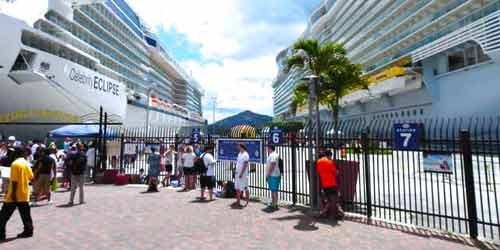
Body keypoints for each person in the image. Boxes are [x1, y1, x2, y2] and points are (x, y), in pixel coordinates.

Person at [0, 147, 34, 241]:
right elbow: (32, 177)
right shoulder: (26, 164)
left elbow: (14, 181)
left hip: (14, 195)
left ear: (16, 154)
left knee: (3, 216)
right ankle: (28, 231)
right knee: (26, 215)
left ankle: (1, 235)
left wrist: (13, 194)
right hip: (24, 193)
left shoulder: (15, 164)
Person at [316, 150, 340, 219]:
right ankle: (333, 214)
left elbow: (318, 171)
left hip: (324, 184)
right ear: (329, 155)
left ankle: (323, 213)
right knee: (334, 200)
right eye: (330, 156)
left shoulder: (319, 162)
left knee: (328, 200)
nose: (331, 158)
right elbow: (336, 173)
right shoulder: (330, 162)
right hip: (332, 184)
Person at [233, 143, 250, 208]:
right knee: (237, 188)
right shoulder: (239, 154)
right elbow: (237, 163)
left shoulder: (246, 155)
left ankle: (247, 201)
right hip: (237, 173)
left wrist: (241, 173)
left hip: (243, 174)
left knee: (245, 188)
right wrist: (235, 170)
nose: (238, 148)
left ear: (242, 147)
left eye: (239, 147)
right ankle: (238, 201)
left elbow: (245, 165)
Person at [265, 145, 280, 210]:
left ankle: (275, 204)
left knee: (274, 190)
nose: (267, 149)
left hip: (273, 175)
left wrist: (268, 174)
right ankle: (274, 203)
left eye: (267, 148)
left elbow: (273, 164)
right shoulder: (273, 154)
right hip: (274, 175)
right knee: (273, 190)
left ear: (270, 148)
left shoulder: (273, 155)